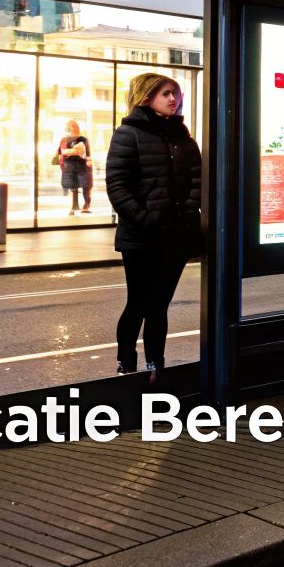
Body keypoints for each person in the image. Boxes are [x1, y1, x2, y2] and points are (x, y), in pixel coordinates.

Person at [105, 73, 202, 377]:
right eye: (166, 94)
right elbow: (117, 187)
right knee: (138, 302)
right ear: (146, 97)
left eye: (176, 93)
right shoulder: (127, 133)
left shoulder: (183, 137)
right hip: (142, 237)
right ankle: (126, 363)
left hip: (176, 236)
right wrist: (147, 221)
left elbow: (197, 181)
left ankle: (155, 366)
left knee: (159, 304)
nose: (174, 99)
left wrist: (187, 214)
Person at [57, 120, 93, 215]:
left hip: (81, 165)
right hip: (70, 166)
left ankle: (86, 205)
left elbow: (85, 152)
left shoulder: (82, 139)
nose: (70, 130)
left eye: (72, 127)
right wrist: (75, 151)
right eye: (69, 127)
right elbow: (62, 152)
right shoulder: (64, 139)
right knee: (73, 187)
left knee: (85, 186)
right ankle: (74, 206)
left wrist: (72, 151)